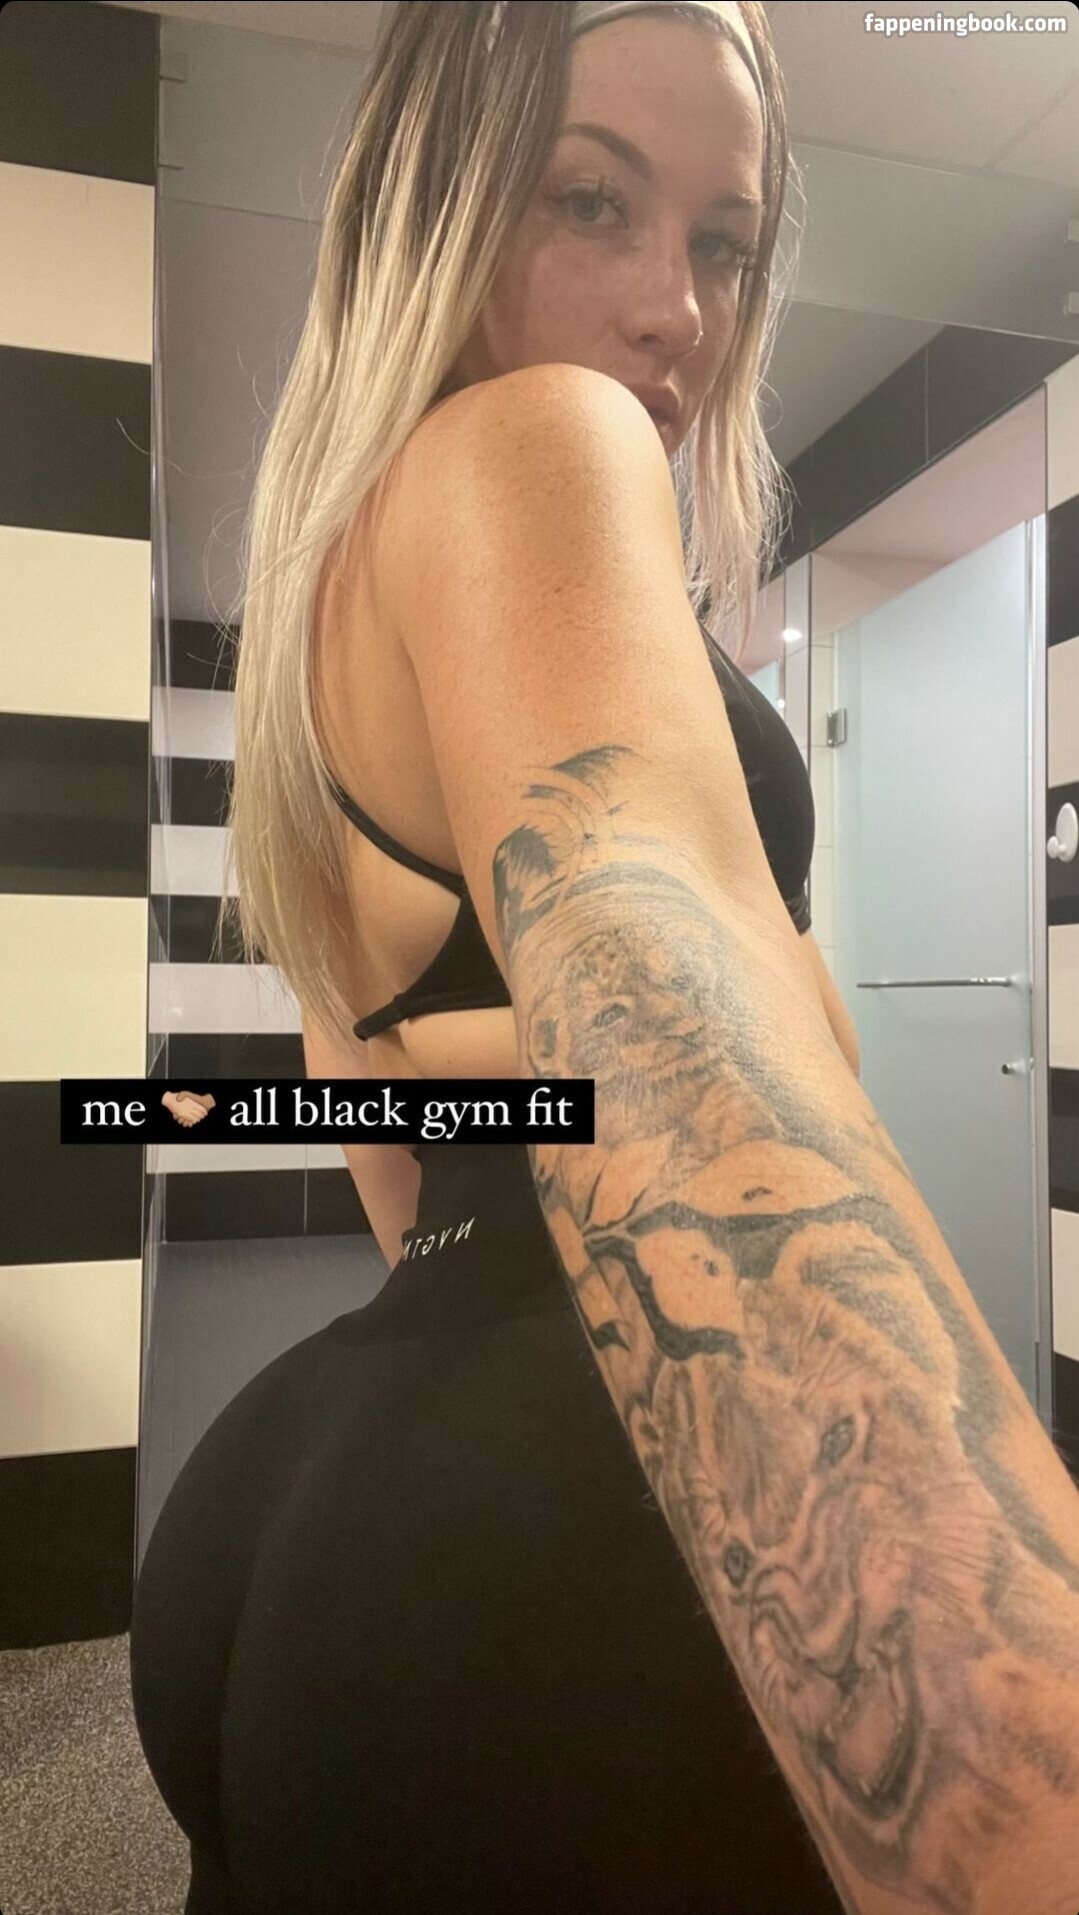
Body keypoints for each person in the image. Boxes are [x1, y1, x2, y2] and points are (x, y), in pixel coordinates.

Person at [129, 6, 1079, 1912]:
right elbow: (679, 1014)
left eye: (724, 243)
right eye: (591, 202)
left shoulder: (339, 600)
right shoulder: (541, 446)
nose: (680, 312)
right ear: (434, 209)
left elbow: (375, 1108)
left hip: (345, 1474)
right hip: (564, 1522)